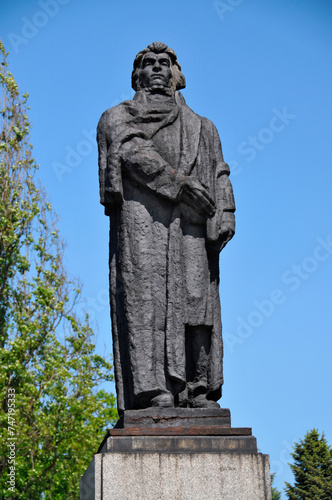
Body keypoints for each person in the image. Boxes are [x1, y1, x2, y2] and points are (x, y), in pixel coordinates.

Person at [97, 42, 235, 414]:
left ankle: (198, 387)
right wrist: (181, 186)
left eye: (165, 63)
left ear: (177, 74)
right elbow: (130, 153)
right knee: (145, 301)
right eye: (148, 64)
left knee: (196, 300)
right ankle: (151, 390)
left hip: (192, 224)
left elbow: (219, 169)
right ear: (136, 75)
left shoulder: (202, 126)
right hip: (144, 223)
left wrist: (226, 210)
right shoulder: (117, 117)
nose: (157, 68)